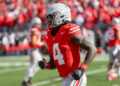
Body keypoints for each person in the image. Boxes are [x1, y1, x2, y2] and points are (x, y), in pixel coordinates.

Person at [39, 3, 97, 86]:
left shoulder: (69, 30)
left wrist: (82, 69)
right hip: (66, 79)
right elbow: (54, 63)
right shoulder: (49, 36)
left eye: (52, 17)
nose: (49, 20)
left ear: (62, 16)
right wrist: (46, 65)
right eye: (48, 17)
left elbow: (92, 49)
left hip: (75, 77)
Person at [22, 17, 45, 86]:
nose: (40, 25)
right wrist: (42, 43)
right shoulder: (34, 30)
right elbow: (34, 42)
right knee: (32, 65)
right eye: (39, 24)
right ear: (36, 24)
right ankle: (25, 81)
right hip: (33, 50)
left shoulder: (34, 29)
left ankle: (29, 76)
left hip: (35, 50)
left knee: (41, 64)